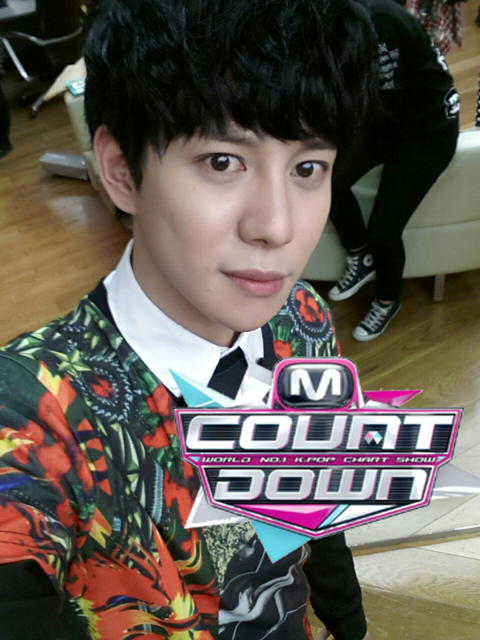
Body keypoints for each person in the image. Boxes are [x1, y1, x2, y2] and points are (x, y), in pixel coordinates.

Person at [0, 1, 377, 638]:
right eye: (223, 162)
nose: (276, 227)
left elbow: (318, 502)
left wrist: (350, 624)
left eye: (307, 168)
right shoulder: (32, 418)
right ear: (122, 171)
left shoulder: (304, 319)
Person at [327, 0, 459, 341]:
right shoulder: (340, 17)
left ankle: (387, 299)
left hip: (428, 133)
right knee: (328, 178)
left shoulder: (380, 20)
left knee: (383, 230)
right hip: (392, 121)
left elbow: (384, 99)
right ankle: (360, 257)